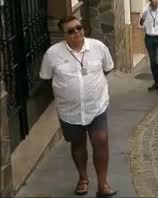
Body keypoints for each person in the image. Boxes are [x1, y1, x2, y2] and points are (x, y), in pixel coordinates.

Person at [40, 16, 117, 197]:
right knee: (78, 145)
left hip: (97, 106)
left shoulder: (98, 47)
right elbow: (45, 79)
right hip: (69, 112)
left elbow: (107, 68)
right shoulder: (52, 54)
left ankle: (103, 184)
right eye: (71, 30)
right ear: (63, 34)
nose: (77, 32)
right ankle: (83, 179)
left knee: (100, 140)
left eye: (79, 28)